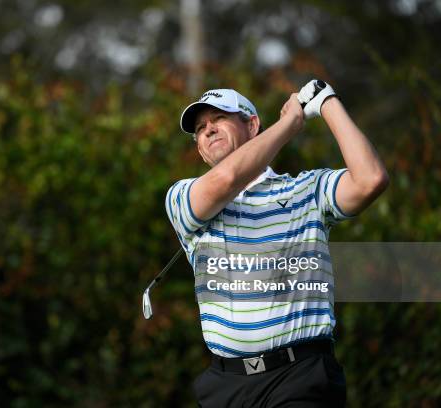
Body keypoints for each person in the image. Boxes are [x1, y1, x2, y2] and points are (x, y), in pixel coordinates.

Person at [165, 80, 389, 407]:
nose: (208, 130)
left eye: (219, 118)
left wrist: (327, 101)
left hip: (300, 376)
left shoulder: (305, 190)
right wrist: (288, 125)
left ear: (252, 125)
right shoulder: (182, 197)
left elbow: (371, 180)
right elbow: (226, 180)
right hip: (226, 387)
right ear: (199, 148)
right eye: (200, 128)